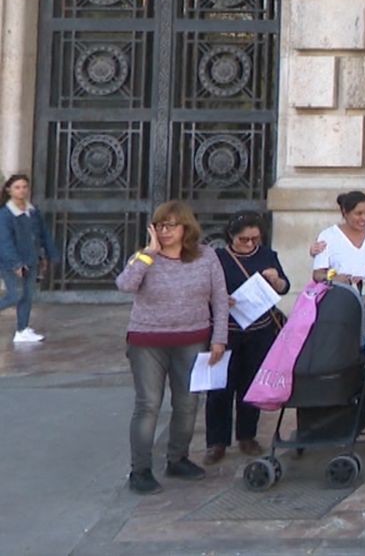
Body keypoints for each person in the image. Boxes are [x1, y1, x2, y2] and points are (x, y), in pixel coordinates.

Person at [114, 201, 229, 494]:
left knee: (188, 403)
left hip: (192, 339)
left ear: (186, 228)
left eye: (171, 225)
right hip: (147, 341)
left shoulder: (206, 257)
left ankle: (178, 458)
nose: (165, 231)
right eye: (160, 225)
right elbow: (125, 285)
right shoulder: (144, 257)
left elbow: (219, 298)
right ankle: (139, 470)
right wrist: (148, 254)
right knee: (148, 404)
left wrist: (219, 338)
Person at [309, 191, 365, 435]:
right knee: (343, 357)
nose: (363, 218)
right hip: (338, 303)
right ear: (345, 213)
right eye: (357, 214)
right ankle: (346, 414)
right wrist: (340, 277)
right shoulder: (328, 236)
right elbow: (319, 273)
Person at [203, 211, 290, 465]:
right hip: (225, 331)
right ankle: (216, 441)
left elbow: (284, 287)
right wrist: (219, 299)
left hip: (259, 330)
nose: (250, 244)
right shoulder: (218, 259)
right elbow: (204, 291)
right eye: (244, 239)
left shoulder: (267, 256)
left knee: (251, 384)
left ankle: (247, 435)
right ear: (231, 237)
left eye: (255, 239)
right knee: (220, 387)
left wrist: (276, 281)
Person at [0, 173, 60, 344]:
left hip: (31, 259)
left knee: (27, 295)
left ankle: (22, 329)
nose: (22, 191)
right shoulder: (5, 215)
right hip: (11, 263)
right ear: (9, 190)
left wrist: (49, 255)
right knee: (15, 295)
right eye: (17, 187)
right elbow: (4, 242)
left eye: (25, 187)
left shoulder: (32, 212)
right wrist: (15, 263)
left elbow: (43, 234)